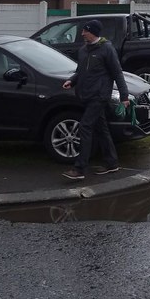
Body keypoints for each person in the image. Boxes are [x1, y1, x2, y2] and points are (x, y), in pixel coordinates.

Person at [62, 19, 130, 180]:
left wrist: (124, 96)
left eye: (85, 31)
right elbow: (80, 71)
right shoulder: (84, 50)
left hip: (99, 96)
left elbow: (117, 73)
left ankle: (79, 168)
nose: (82, 33)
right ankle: (112, 163)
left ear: (93, 32)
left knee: (85, 126)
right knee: (101, 128)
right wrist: (72, 80)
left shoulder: (107, 49)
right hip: (86, 95)